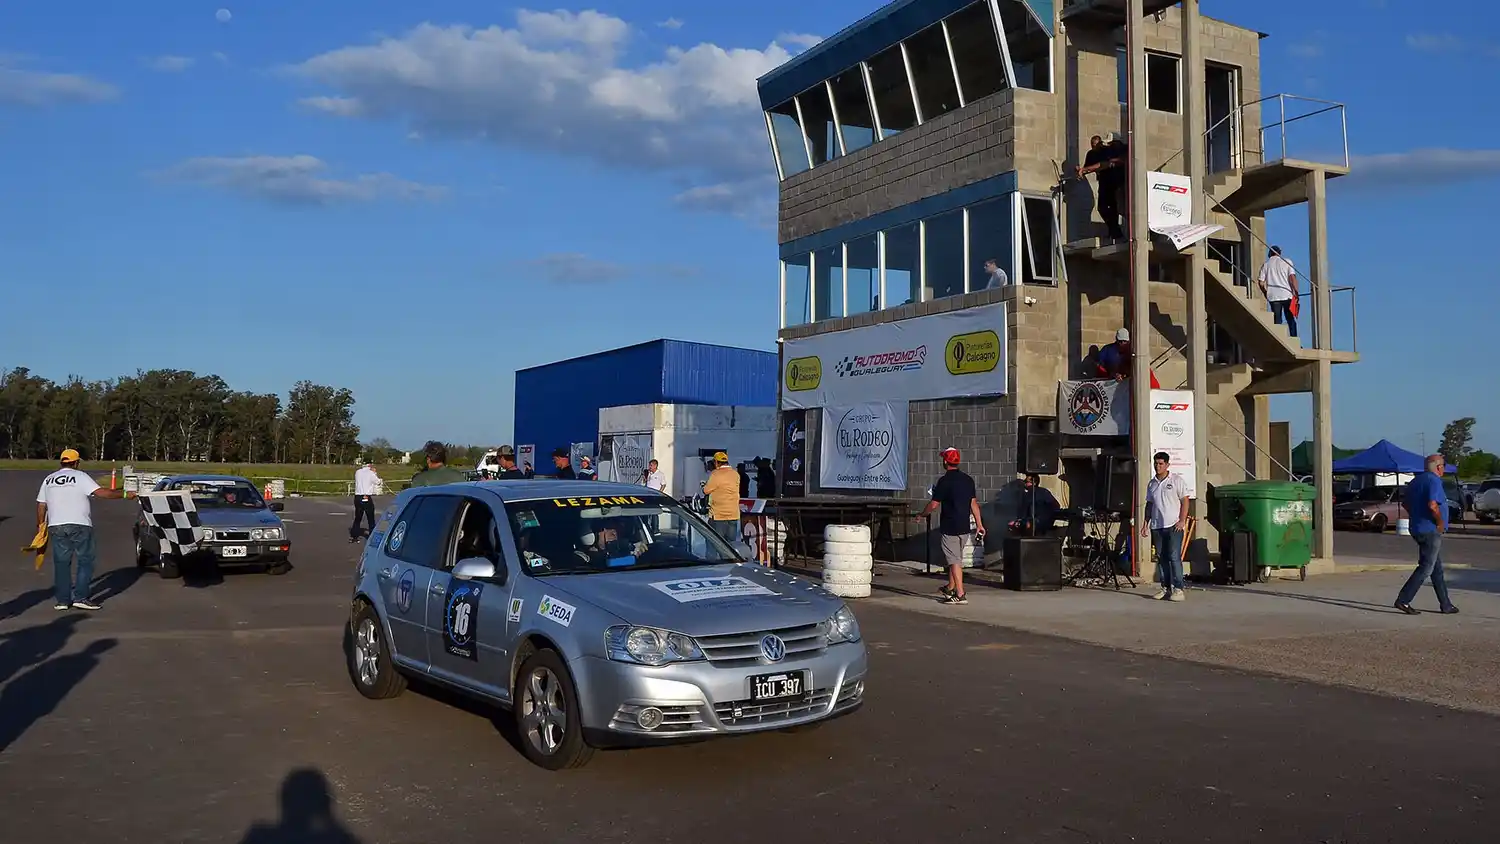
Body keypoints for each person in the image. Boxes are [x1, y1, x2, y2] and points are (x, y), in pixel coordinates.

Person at [36, 448, 132, 611]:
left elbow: (41, 504)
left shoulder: (49, 479)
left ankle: (63, 600)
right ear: (76, 462)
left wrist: (41, 526)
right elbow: (101, 492)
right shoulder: (80, 476)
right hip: (79, 524)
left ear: (62, 462)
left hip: (56, 525)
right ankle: (80, 597)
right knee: (85, 560)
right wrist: (124, 495)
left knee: (61, 563)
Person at [916, 447, 985, 605]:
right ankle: (950, 587)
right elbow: (973, 503)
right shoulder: (968, 480)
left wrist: (922, 514)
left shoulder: (944, 481)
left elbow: (934, 504)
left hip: (950, 526)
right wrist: (980, 525)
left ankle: (960, 594)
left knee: (954, 561)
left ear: (946, 461)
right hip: (964, 526)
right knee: (956, 559)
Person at [1395, 454, 1459, 615]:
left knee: (1436, 568)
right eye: (1443, 465)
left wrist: (1416, 516)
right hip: (1430, 530)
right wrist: (1439, 522)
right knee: (1426, 568)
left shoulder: (1416, 481)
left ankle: (1446, 604)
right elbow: (1433, 505)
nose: (1444, 468)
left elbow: (1405, 503)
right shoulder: (1433, 480)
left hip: (1417, 528)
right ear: (1438, 467)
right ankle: (1403, 600)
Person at [1140, 451, 1191, 602]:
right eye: (1156, 463)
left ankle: (1178, 588)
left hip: (1174, 525)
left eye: (1161, 464)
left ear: (1167, 465)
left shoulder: (1176, 480)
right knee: (1161, 558)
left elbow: (1185, 501)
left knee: (1174, 557)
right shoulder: (1152, 483)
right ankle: (1166, 587)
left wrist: (1182, 520)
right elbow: (1149, 504)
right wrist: (1145, 524)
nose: (1158, 466)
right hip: (1157, 525)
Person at [1078, 133, 1128, 241]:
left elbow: (1109, 163)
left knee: (1120, 209)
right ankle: (1116, 234)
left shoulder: (1123, 149)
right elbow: (1099, 165)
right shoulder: (1099, 153)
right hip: (1107, 183)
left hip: (1120, 184)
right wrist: (1082, 170)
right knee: (1105, 208)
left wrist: (1085, 169)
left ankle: (1118, 234)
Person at [1257, 245, 1299, 339]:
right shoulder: (1287, 262)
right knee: (1290, 319)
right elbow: (1292, 278)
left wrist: (1265, 292)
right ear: (1279, 253)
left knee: (1277, 321)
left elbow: (1260, 282)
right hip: (1286, 294)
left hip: (1273, 296)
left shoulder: (1266, 265)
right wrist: (1296, 292)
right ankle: (1294, 338)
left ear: (1269, 254)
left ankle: (1279, 339)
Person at [1096, 328, 1160, 388]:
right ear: (1116, 340)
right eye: (1120, 341)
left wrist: (1124, 374)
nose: (1122, 343)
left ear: (1129, 341)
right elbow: (1100, 366)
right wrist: (1112, 374)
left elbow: (1136, 369)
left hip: (1136, 385)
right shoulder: (1108, 350)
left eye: (1125, 341)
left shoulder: (1134, 352)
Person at [701, 451, 741, 542]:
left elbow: (706, 490)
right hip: (733, 515)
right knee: (730, 546)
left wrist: (703, 485)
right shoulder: (735, 474)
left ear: (716, 462)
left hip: (718, 515)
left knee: (715, 544)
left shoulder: (716, 474)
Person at [349, 460, 379, 543]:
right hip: (366, 496)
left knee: (358, 517)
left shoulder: (358, 472)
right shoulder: (370, 473)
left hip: (357, 496)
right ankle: (372, 536)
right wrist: (375, 473)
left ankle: (354, 536)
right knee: (370, 517)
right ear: (370, 465)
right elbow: (378, 482)